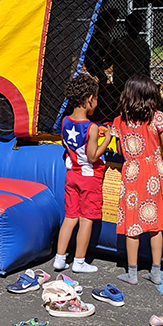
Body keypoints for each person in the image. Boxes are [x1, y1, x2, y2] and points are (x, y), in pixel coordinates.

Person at [111, 74, 163, 286]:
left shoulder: (119, 121)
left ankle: (132, 273)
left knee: (133, 224)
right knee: (155, 223)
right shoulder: (158, 117)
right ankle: (155, 272)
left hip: (132, 172)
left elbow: (121, 151)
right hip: (154, 171)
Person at [53, 73, 112, 274]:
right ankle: (79, 261)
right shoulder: (92, 127)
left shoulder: (65, 122)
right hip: (89, 178)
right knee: (87, 219)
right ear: (89, 99)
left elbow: (68, 144)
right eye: (96, 98)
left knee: (70, 217)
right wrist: (107, 139)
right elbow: (93, 156)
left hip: (72, 176)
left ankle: (59, 259)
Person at [111, 11, 151, 92]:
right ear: (126, 26)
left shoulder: (144, 45)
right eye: (133, 25)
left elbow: (147, 66)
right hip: (121, 83)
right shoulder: (118, 42)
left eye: (138, 25)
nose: (135, 28)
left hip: (138, 84)